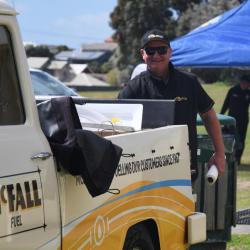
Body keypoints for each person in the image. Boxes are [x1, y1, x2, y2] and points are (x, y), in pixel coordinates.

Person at [117, 29, 226, 182]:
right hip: (144, 179)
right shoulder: (133, 88)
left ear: (170, 52)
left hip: (185, 175)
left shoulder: (189, 82)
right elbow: (115, 127)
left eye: (161, 50)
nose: (156, 55)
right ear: (143, 53)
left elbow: (208, 115)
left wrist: (220, 154)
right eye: (150, 50)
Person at [220, 75, 250, 165]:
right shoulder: (233, 91)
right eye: (246, 83)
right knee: (230, 138)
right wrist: (221, 117)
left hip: (243, 120)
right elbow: (226, 104)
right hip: (231, 120)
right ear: (242, 82)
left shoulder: (248, 93)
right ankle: (229, 157)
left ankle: (238, 158)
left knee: (241, 140)